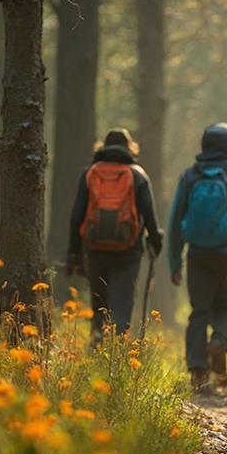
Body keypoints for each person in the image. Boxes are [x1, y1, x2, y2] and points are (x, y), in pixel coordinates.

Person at [168, 123, 227, 392]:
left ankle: (198, 372)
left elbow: (174, 222)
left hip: (197, 254)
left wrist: (174, 262)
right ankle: (218, 342)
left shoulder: (189, 175)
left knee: (199, 311)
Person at [67, 128, 163, 339]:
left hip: (94, 249)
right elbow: (149, 214)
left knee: (99, 303)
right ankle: (118, 347)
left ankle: (97, 340)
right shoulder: (137, 175)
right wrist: (156, 241)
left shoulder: (90, 173)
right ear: (130, 147)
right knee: (122, 301)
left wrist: (73, 252)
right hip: (128, 251)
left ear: (103, 146)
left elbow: (77, 216)